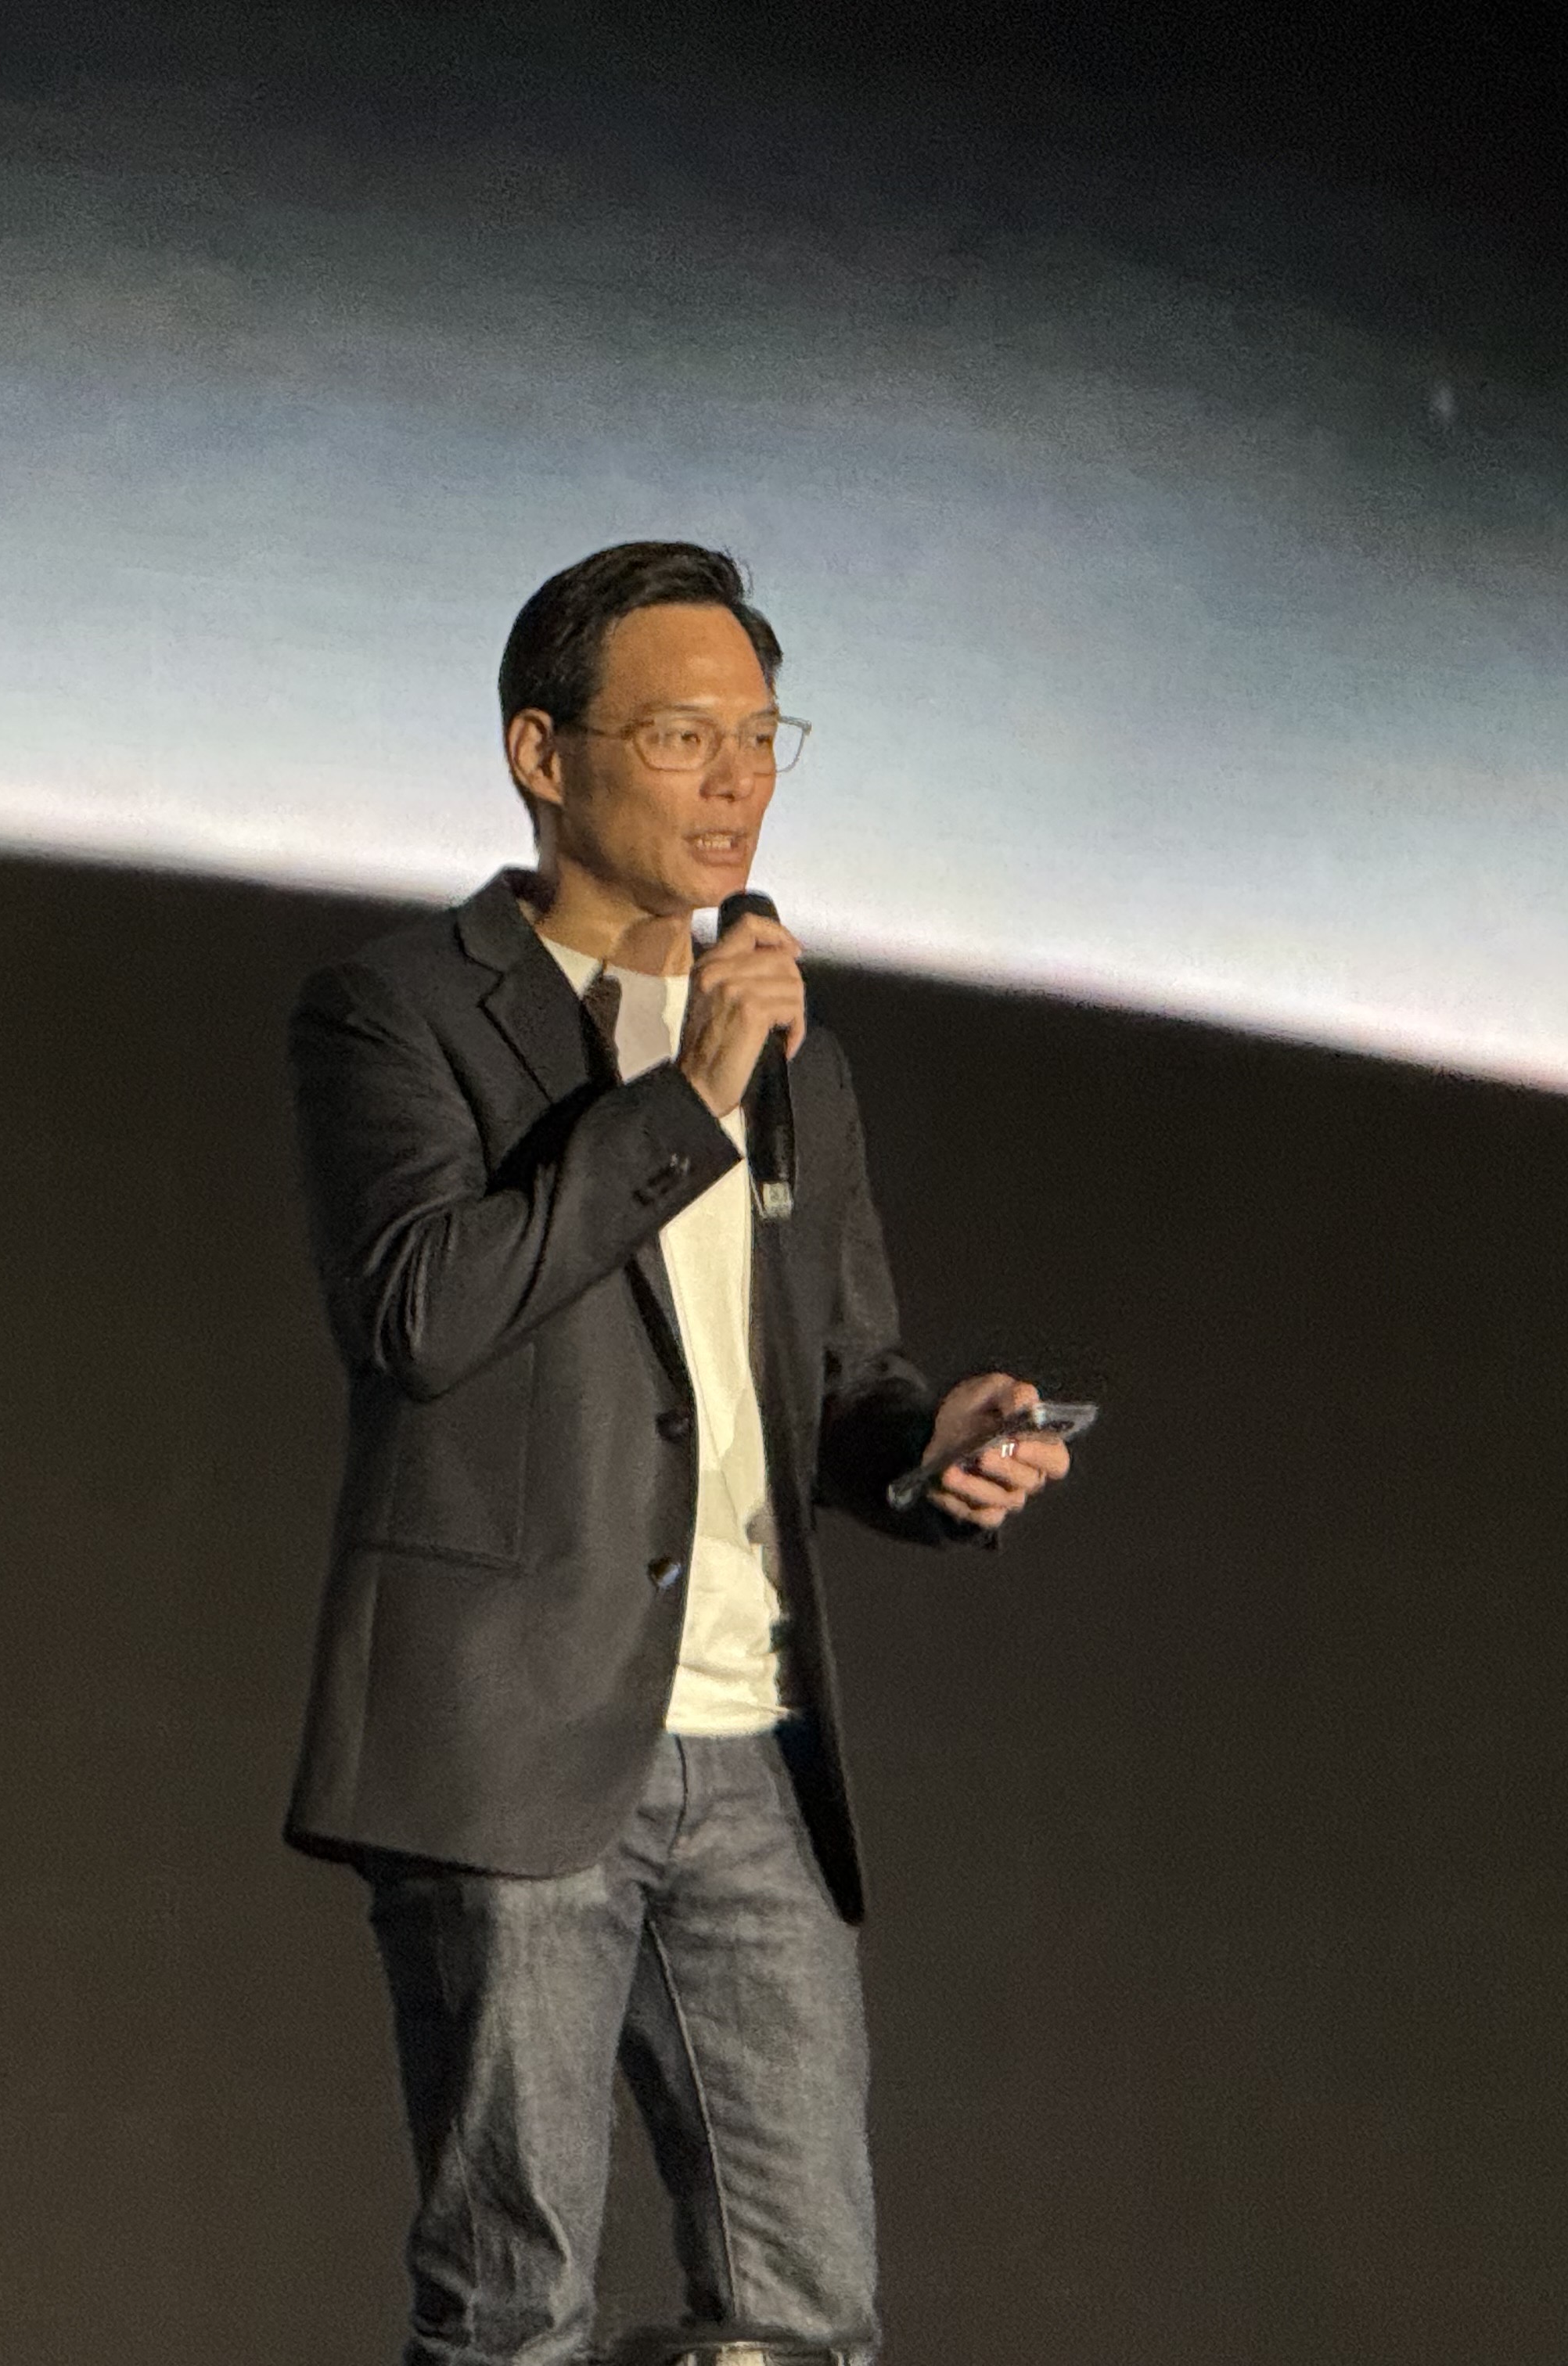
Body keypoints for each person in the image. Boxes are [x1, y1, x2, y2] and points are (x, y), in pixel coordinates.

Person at [283, 543, 1071, 2366]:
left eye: (764, 737)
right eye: (682, 735)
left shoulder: (799, 1057)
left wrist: (930, 1451)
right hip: (512, 1751)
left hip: (755, 1751)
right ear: (541, 754)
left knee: (808, 2318)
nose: (737, 781)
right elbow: (420, 1313)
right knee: (513, 2311)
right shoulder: (398, 1013)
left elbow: (834, 1385)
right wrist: (688, 1098)